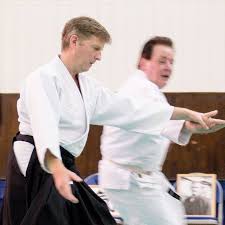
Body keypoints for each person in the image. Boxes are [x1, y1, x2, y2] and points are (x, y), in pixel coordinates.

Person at [0, 18, 221, 225]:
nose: (99, 57)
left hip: (63, 166)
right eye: (96, 48)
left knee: (97, 217)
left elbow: (131, 110)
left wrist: (186, 114)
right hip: (39, 162)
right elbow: (44, 125)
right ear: (74, 41)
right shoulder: (43, 78)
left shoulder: (88, 87)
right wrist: (56, 167)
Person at [99, 36, 225, 225]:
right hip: (128, 182)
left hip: (144, 178)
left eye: (171, 62)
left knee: (174, 211)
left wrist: (190, 126)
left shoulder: (150, 92)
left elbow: (157, 121)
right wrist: (190, 119)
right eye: (161, 61)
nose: (168, 67)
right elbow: (157, 115)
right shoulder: (138, 88)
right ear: (143, 62)